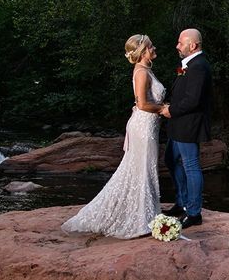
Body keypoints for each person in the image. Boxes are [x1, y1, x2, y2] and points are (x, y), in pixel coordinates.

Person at [62, 34, 166, 238]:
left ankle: (147, 214)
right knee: (142, 169)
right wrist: (163, 108)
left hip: (148, 126)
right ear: (143, 51)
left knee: (145, 168)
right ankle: (140, 220)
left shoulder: (145, 70)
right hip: (144, 127)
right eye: (151, 46)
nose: (154, 48)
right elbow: (143, 104)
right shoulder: (141, 73)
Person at [161, 28, 212, 229]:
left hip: (188, 124)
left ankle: (194, 212)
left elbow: (193, 100)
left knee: (190, 165)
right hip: (178, 124)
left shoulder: (199, 66)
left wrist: (170, 110)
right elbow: (181, 91)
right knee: (170, 160)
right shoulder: (188, 65)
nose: (177, 46)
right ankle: (182, 203)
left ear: (193, 45)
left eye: (180, 43)